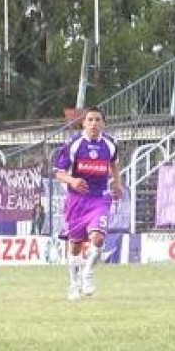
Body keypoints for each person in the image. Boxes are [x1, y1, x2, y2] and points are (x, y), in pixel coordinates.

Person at [54, 106, 122, 301]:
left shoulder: (110, 144)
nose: (94, 123)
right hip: (76, 200)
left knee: (98, 238)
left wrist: (117, 183)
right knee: (75, 246)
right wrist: (73, 181)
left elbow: (114, 164)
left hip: (99, 198)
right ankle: (74, 284)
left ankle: (88, 273)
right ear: (83, 123)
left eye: (97, 120)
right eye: (90, 119)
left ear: (104, 123)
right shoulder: (73, 144)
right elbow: (59, 172)